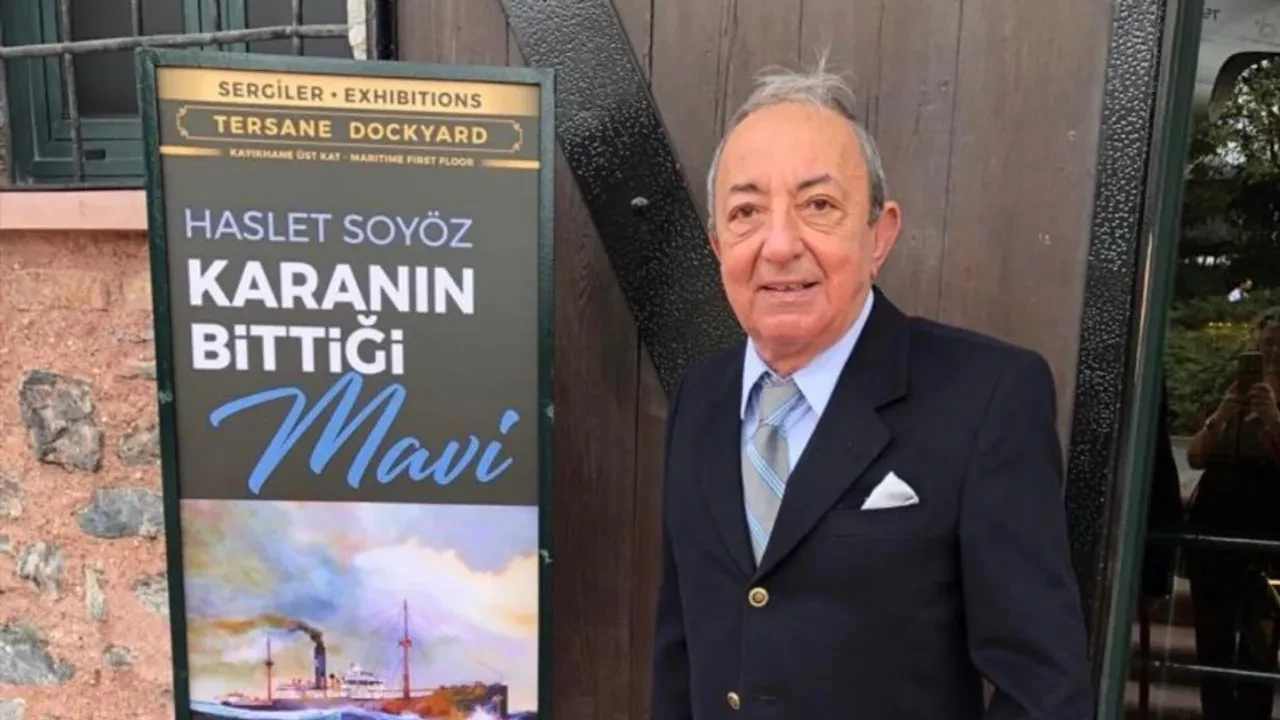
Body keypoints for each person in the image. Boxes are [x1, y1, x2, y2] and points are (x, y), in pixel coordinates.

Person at [649, 61, 1094, 719]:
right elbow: (679, 652)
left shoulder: (986, 398)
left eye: (818, 206)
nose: (779, 244)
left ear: (879, 235)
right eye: (746, 212)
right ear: (718, 246)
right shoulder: (700, 400)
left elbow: (1044, 690)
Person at [1181, 306, 1280, 720]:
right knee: (1213, 640)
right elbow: (1195, 456)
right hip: (1215, 531)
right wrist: (1221, 415)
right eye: (1268, 341)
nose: (1273, 351)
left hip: (1266, 537)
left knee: (1259, 643)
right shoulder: (1232, 391)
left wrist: (1273, 418)